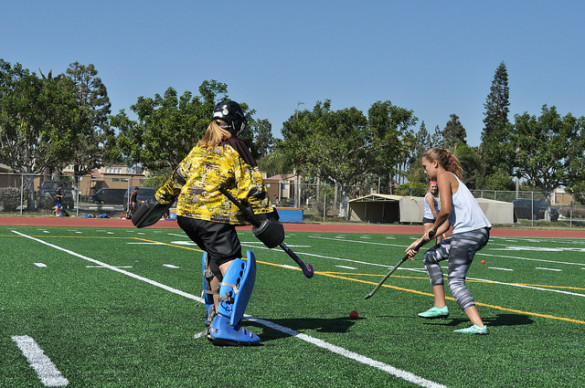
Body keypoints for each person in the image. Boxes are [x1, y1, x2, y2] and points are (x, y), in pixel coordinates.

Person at [153, 101, 279, 346]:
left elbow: (176, 179)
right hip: (211, 215)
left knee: (216, 257)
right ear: (234, 123)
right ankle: (225, 324)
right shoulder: (237, 146)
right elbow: (251, 185)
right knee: (233, 262)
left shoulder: (200, 148)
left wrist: (158, 202)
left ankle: (214, 313)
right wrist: (267, 215)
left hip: (185, 214)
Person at [406, 147, 492, 335]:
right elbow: (446, 224)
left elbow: (444, 212)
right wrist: (419, 243)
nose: (424, 171)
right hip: (471, 233)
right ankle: (440, 306)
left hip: (470, 234)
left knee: (455, 281)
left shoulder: (444, 176)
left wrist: (431, 230)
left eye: (425, 166)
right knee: (430, 257)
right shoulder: (450, 178)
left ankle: (478, 325)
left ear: (435, 163)